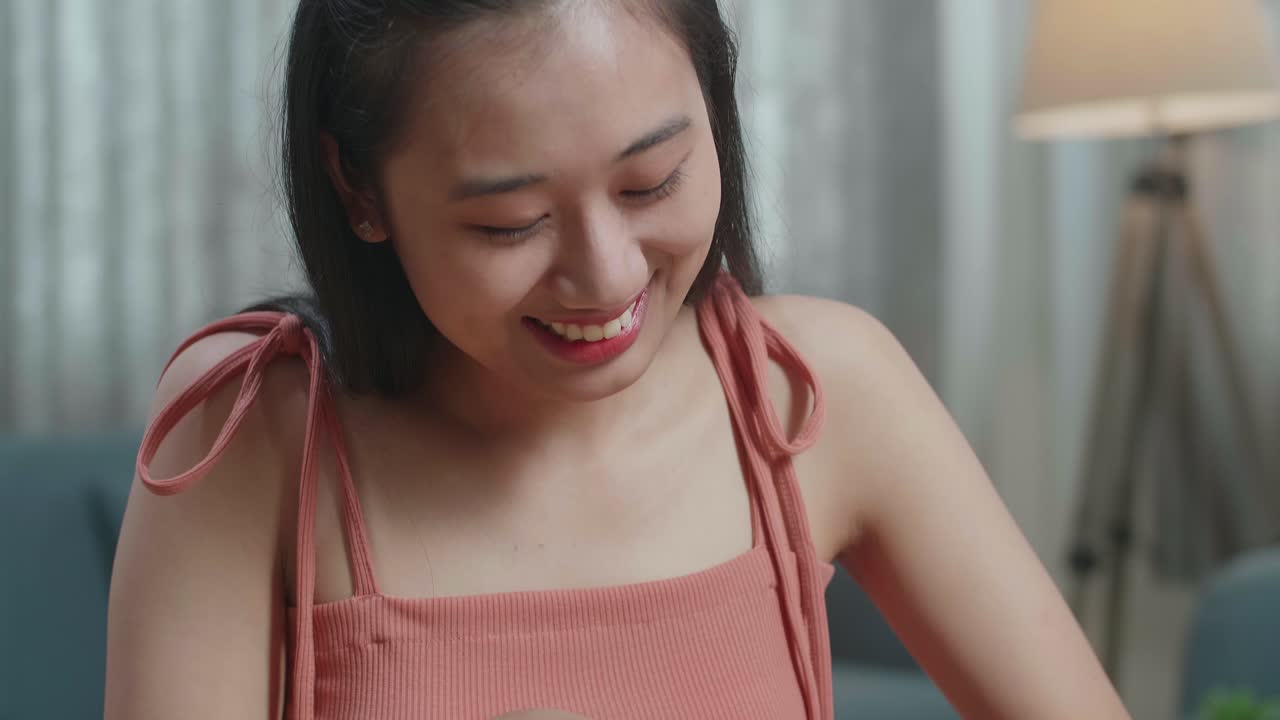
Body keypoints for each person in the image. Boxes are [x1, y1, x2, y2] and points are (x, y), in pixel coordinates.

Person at [104, 1, 1131, 718]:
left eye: (652, 182)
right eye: (510, 223)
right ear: (358, 188)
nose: (603, 275)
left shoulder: (811, 392)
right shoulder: (244, 439)